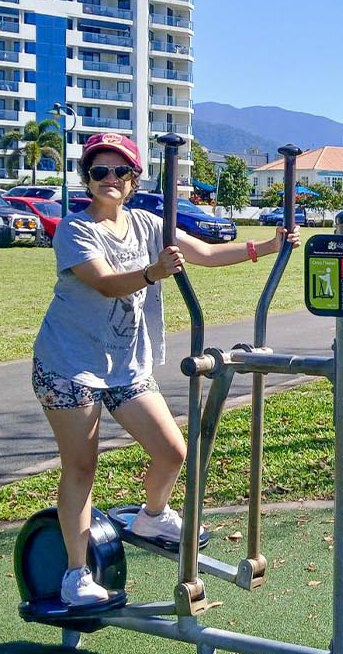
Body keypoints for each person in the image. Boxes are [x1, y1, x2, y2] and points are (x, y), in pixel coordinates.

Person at [33, 132, 298, 607]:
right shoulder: (76, 230)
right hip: (69, 366)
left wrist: (267, 245)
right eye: (99, 172)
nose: (109, 179)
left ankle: (152, 515)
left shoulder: (148, 223)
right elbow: (106, 284)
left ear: (133, 179)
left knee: (173, 450)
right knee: (81, 466)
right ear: (87, 180)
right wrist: (154, 272)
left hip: (125, 366)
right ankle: (76, 575)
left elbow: (209, 255)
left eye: (119, 172)